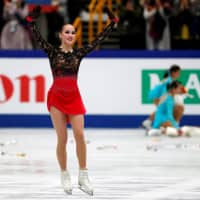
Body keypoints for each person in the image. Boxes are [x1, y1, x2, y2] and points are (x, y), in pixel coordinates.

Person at [26, 6, 118, 195]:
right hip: (57, 97)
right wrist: (31, 22)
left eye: (73, 32)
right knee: (63, 138)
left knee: (80, 135)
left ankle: (83, 175)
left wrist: (112, 24)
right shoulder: (52, 52)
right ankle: (64, 174)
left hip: (74, 97)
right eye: (67, 32)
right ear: (60, 35)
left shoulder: (78, 53)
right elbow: (38, 38)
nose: (70, 34)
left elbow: (98, 39)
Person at [142, 64, 181, 130]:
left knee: (161, 110)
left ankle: (148, 122)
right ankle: (151, 123)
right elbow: (165, 93)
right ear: (173, 72)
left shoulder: (168, 80)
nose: (179, 74)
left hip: (155, 95)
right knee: (162, 110)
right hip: (157, 96)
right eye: (178, 72)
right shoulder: (169, 81)